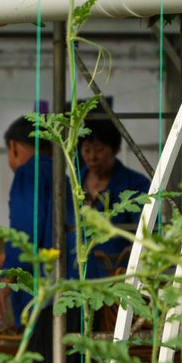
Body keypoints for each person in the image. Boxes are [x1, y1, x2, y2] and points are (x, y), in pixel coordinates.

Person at [0, 115, 64, 363]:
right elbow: (47, 232)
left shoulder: (28, 174)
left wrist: (6, 280)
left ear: (14, 147)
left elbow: (25, 234)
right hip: (71, 291)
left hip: (42, 297)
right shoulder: (62, 172)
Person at [68, 105, 151, 284]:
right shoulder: (72, 186)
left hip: (118, 278)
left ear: (115, 149)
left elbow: (147, 232)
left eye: (99, 149)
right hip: (75, 278)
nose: (92, 157)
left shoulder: (136, 186)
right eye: (87, 149)